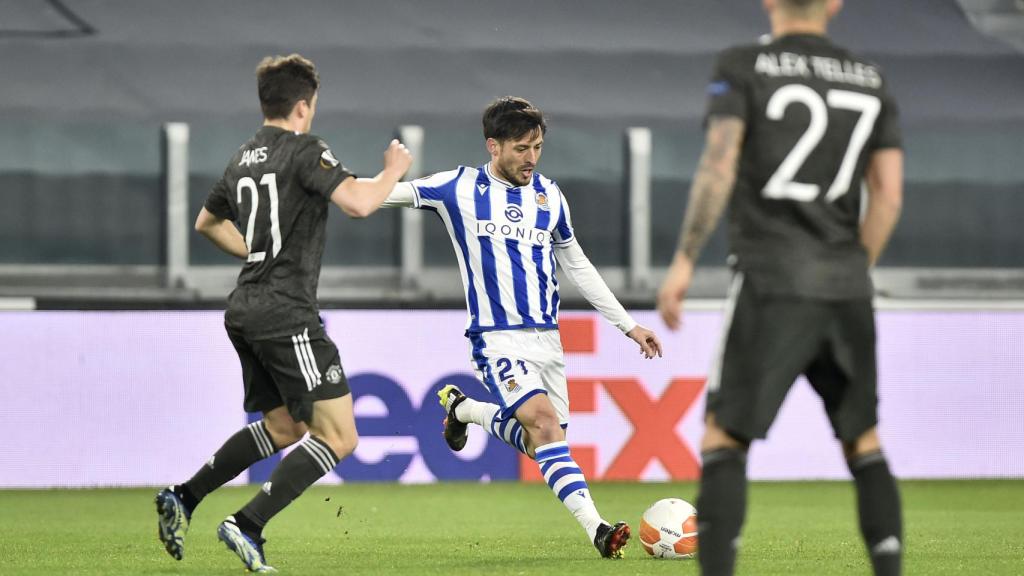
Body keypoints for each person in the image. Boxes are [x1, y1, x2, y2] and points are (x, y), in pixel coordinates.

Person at [656, 0, 904, 574]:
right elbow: (888, 194)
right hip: (845, 283)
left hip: (770, 278)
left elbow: (719, 165)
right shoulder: (871, 80)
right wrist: (848, 269)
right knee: (864, 441)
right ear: (835, 4)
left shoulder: (744, 66)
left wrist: (684, 260)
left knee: (725, 437)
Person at [154, 54, 411, 573]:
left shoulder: (242, 157)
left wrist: (254, 250)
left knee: (284, 428)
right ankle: (247, 524)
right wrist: (392, 171)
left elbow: (206, 222)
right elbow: (359, 203)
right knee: (340, 436)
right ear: (302, 106)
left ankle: (184, 496)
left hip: (244, 309)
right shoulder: (305, 151)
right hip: (285, 312)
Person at [382, 96, 662, 559]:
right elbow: (386, 194)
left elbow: (578, 265)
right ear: (493, 146)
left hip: (547, 340)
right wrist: (326, 182)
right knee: (545, 425)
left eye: (537, 147)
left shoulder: (549, 196)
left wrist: (628, 325)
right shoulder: (458, 187)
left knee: (543, 445)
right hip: (497, 337)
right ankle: (598, 529)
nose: (531, 158)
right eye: (520, 149)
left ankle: (466, 411)